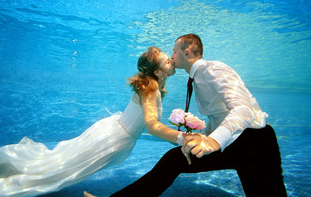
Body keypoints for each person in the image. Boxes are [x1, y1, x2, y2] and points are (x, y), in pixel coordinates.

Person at [0, 46, 193, 197]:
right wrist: (180, 137)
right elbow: (151, 125)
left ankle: (10, 173)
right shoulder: (151, 89)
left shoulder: (150, 85)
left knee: (62, 161)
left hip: (111, 129)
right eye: (167, 60)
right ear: (157, 70)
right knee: (64, 172)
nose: (172, 61)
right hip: (113, 139)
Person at [85, 33, 287, 197]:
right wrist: (201, 137)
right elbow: (219, 117)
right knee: (174, 160)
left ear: (187, 52)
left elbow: (243, 109)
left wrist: (213, 142)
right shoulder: (196, 78)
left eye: (174, 51)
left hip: (255, 143)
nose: (171, 56)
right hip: (236, 142)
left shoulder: (213, 69)